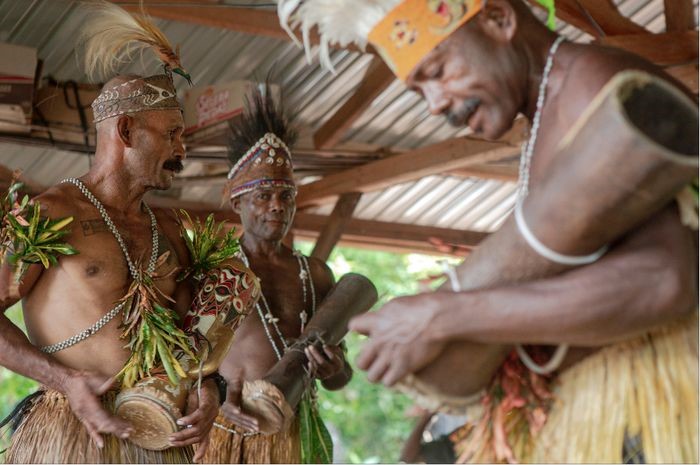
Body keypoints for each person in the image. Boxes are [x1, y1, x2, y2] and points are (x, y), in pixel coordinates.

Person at [278, 0, 698, 462]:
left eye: (437, 70)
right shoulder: (551, 105)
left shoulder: (593, 86)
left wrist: (442, 315)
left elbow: (664, 280)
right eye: (419, 92)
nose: (436, 104)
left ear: (499, 18)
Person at [0, 3, 221, 463]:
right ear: (125, 130)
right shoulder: (49, 215)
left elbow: (194, 336)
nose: (183, 150)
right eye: (172, 134)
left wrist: (209, 389)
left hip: (157, 436)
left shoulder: (172, 231)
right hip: (73, 433)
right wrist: (66, 382)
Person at [201, 84, 353, 463]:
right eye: (263, 196)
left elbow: (341, 377)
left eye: (286, 196)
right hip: (230, 434)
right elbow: (184, 365)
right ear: (238, 202)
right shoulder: (218, 270)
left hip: (298, 433)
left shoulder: (316, 274)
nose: (276, 207)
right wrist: (218, 400)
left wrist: (333, 368)